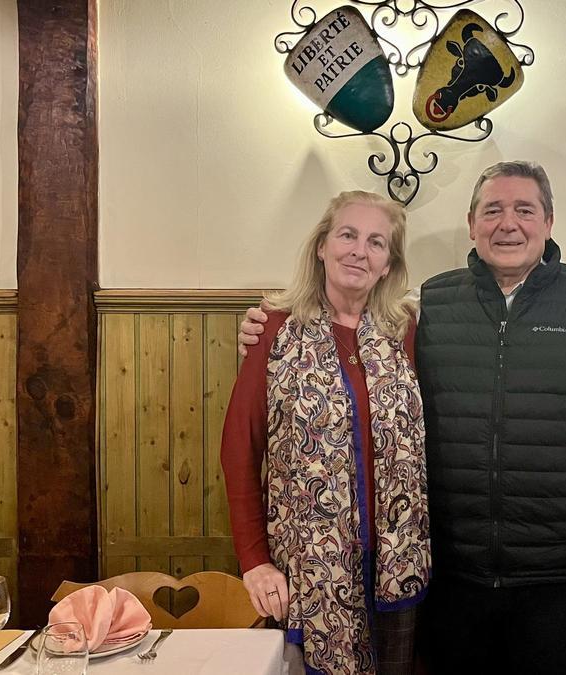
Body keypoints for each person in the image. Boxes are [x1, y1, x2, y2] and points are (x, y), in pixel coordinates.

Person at [241, 162, 566, 674]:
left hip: (558, 577)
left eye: (524, 210)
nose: (507, 223)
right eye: (492, 210)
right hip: (451, 579)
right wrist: (263, 327)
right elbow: (347, 333)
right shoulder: (427, 307)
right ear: (471, 224)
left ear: (549, 222)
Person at [221, 190, 429, 675]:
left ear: (387, 265)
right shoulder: (274, 329)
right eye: (348, 235)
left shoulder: (405, 333)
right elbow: (238, 450)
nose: (359, 250)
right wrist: (254, 559)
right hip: (310, 569)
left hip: (398, 567)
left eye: (376, 243)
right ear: (322, 246)